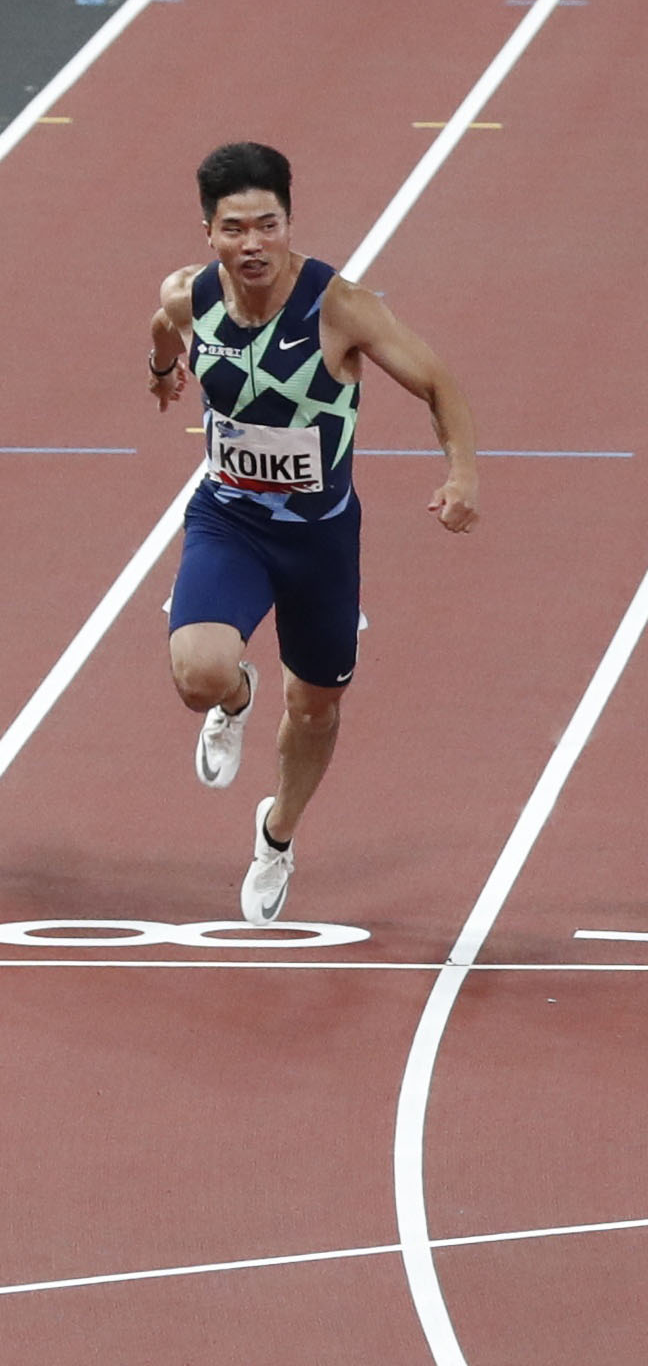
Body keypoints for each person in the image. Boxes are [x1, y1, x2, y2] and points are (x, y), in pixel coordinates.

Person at [149, 142, 481, 921]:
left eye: (268, 225)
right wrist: (163, 371)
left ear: (289, 224)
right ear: (209, 232)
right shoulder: (188, 296)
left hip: (321, 540)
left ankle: (276, 836)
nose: (253, 244)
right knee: (197, 674)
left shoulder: (340, 308)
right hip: (228, 519)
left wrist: (461, 472)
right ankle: (234, 698)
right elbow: (164, 329)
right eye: (235, 229)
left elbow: (437, 382)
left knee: (317, 706)